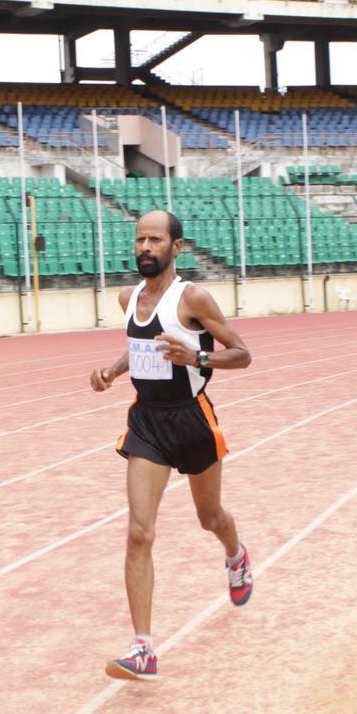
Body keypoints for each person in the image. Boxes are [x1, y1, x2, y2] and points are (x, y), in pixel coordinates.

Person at [91, 210, 254, 682]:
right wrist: (113, 372)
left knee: (210, 518)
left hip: (192, 419)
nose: (145, 246)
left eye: (155, 239)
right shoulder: (128, 298)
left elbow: (243, 354)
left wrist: (198, 356)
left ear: (176, 247)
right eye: (140, 239)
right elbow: (142, 345)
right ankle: (143, 648)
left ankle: (236, 554)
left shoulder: (194, 298)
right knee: (139, 532)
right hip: (147, 421)